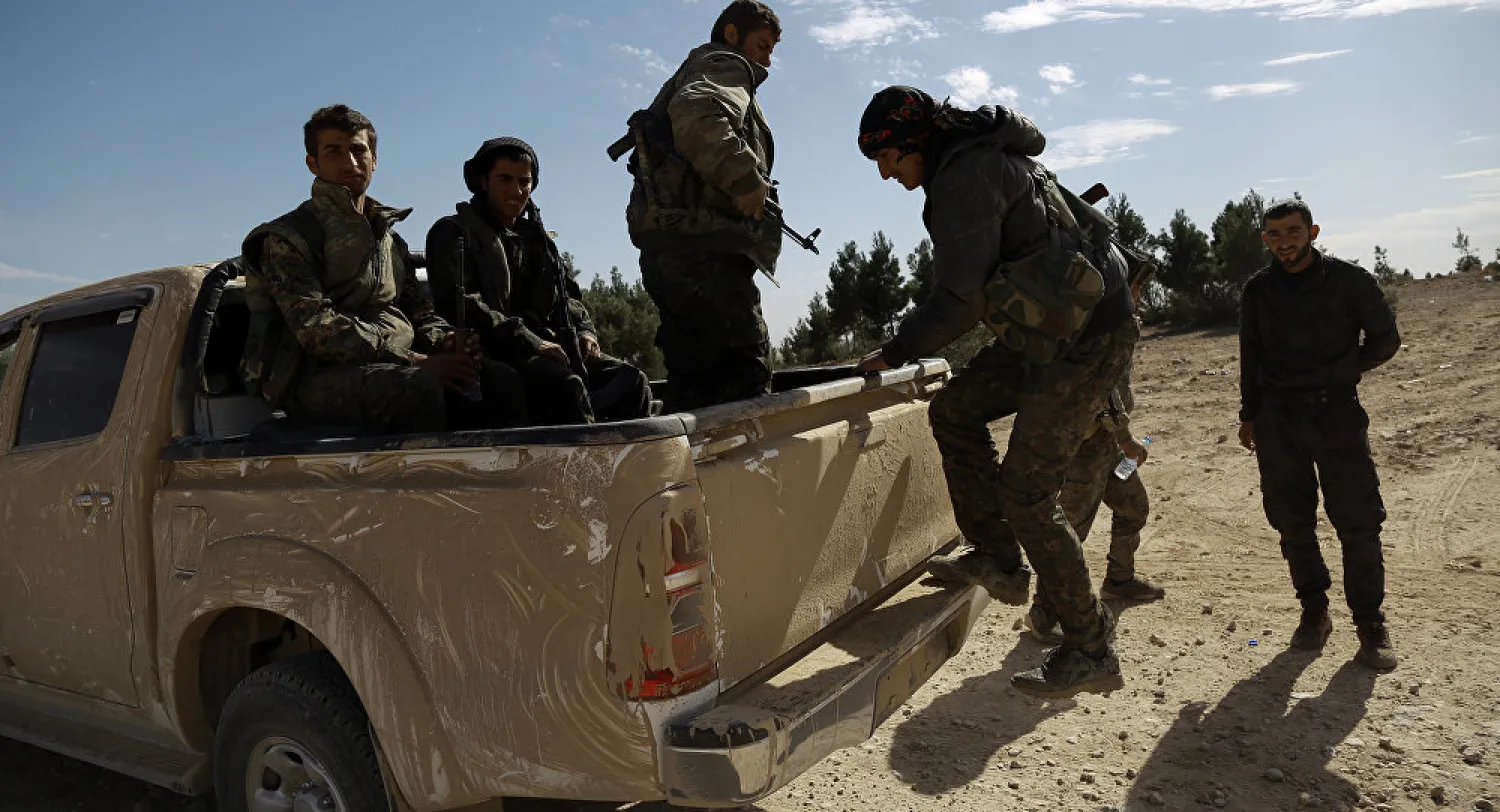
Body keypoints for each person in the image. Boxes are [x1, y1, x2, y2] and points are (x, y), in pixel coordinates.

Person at [853, 86, 1137, 697]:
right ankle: (1000, 560)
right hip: (1049, 331)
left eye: (888, 158)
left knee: (1028, 493)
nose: (885, 173)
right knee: (955, 409)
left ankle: (1091, 648)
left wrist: (896, 349)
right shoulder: (976, 159)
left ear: (917, 142)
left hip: (1086, 339)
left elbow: (960, 297)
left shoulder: (966, 177)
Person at [239, 104, 527, 434]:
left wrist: (444, 340)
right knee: (417, 388)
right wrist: (415, 360)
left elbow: (418, 312)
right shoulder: (288, 238)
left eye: (358, 150)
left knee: (499, 380)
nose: (350, 161)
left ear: (374, 159)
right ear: (312, 163)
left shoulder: (389, 239)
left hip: (390, 363)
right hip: (310, 377)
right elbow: (318, 331)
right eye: (333, 151)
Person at [1238, 199, 1401, 672]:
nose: (1284, 241)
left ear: (1312, 231)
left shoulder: (1351, 282)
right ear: (1265, 239)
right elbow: (1251, 356)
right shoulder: (1258, 291)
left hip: (1336, 415)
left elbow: (1385, 340)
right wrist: (1249, 414)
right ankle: (1314, 613)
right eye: (1274, 234)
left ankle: (1371, 626)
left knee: (1358, 521)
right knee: (1292, 522)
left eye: (1292, 231)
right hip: (1277, 420)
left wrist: (1339, 371)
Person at [619, 0, 782, 412]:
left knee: (695, 384)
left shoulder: (694, 67)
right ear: (732, 34)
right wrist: (745, 179)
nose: (765, 59)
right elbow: (696, 112)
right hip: (705, 249)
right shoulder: (726, 64)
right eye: (761, 45)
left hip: (671, 249)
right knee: (743, 376)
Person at [426, 137, 651, 424]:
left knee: (630, 380)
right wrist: (531, 342)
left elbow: (566, 294)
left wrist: (585, 331)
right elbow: (463, 304)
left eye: (524, 182)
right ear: (483, 182)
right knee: (564, 385)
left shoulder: (537, 240)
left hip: (548, 345)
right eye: (505, 180)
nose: (516, 191)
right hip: (492, 351)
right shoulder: (454, 234)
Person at [1026, 268, 1164, 644]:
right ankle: (1044, 612)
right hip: (1082, 447)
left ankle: (1119, 580)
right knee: (1069, 530)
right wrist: (1127, 436)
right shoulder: (1095, 327)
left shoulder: (1117, 322)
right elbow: (1096, 391)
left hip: (1107, 446)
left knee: (1133, 506)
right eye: (1136, 286)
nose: (1138, 294)